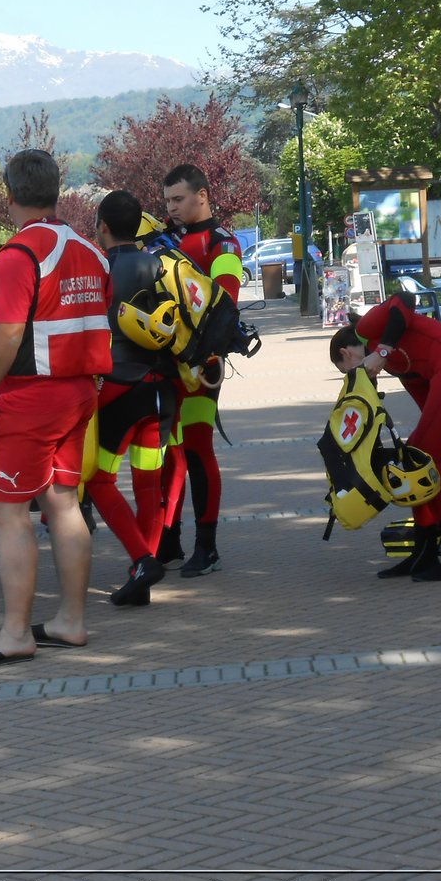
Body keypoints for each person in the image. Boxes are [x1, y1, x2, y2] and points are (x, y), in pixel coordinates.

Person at [0, 149, 111, 668]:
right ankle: (70, 621)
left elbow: (8, 334)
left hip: (28, 397)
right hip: (80, 391)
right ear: (56, 189)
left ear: (9, 194)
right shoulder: (88, 249)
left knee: (8, 512)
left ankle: (16, 633)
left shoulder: (18, 255)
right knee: (62, 504)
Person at [329, 292, 441, 580]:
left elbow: (404, 300)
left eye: (347, 371)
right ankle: (426, 551)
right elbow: (431, 414)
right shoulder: (402, 368)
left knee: (419, 457)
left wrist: (382, 350)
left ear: (347, 354)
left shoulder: (367, 330)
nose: (357, 377)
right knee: (424, 457)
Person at [87, 190, 177, 607]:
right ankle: (145, 566)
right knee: (148, 483)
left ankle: (142, 560)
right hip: (161, 389)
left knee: (100, 479)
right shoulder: (162, 263)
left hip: (118, 388)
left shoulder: (99, 269)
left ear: (102, 226)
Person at [159, 163, 246, 577]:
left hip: (201, 366)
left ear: (203, 196)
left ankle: (206, 547)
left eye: (178, 199)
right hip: (164, 364)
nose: (172, 208)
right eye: (168, 201)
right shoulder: (162, 238)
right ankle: (168, 540)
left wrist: (197, 356)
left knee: (196, 449)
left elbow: (224, 306)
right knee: (168, 452)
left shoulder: (222, 243)